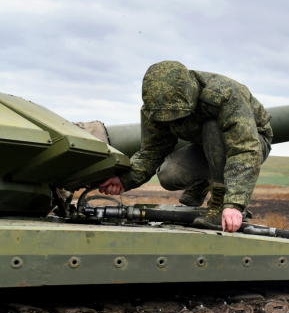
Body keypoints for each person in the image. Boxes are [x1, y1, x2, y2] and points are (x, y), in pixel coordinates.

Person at [97, 61, 273, 232]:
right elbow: (152, 151)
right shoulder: (156, 108)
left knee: (212, 126)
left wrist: (233, 204)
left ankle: (218, 202)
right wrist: (125, 179)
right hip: (205, 148)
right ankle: (205, 180)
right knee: (169, 175)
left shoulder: (224, 94)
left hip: (253, 143)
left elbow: (245, 148)